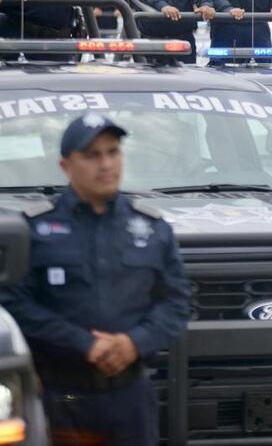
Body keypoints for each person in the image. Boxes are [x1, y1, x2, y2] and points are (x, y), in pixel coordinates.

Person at [0, 113, 189, 445]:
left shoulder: (152, 228)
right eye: (92, 155)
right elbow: (14, 304)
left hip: (131, 396)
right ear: (66, 166)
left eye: (113, 152)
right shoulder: (34, 229)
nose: (105, 164)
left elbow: (176, 303)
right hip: (62, 396)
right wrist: (85, 344)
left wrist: (134, 343)